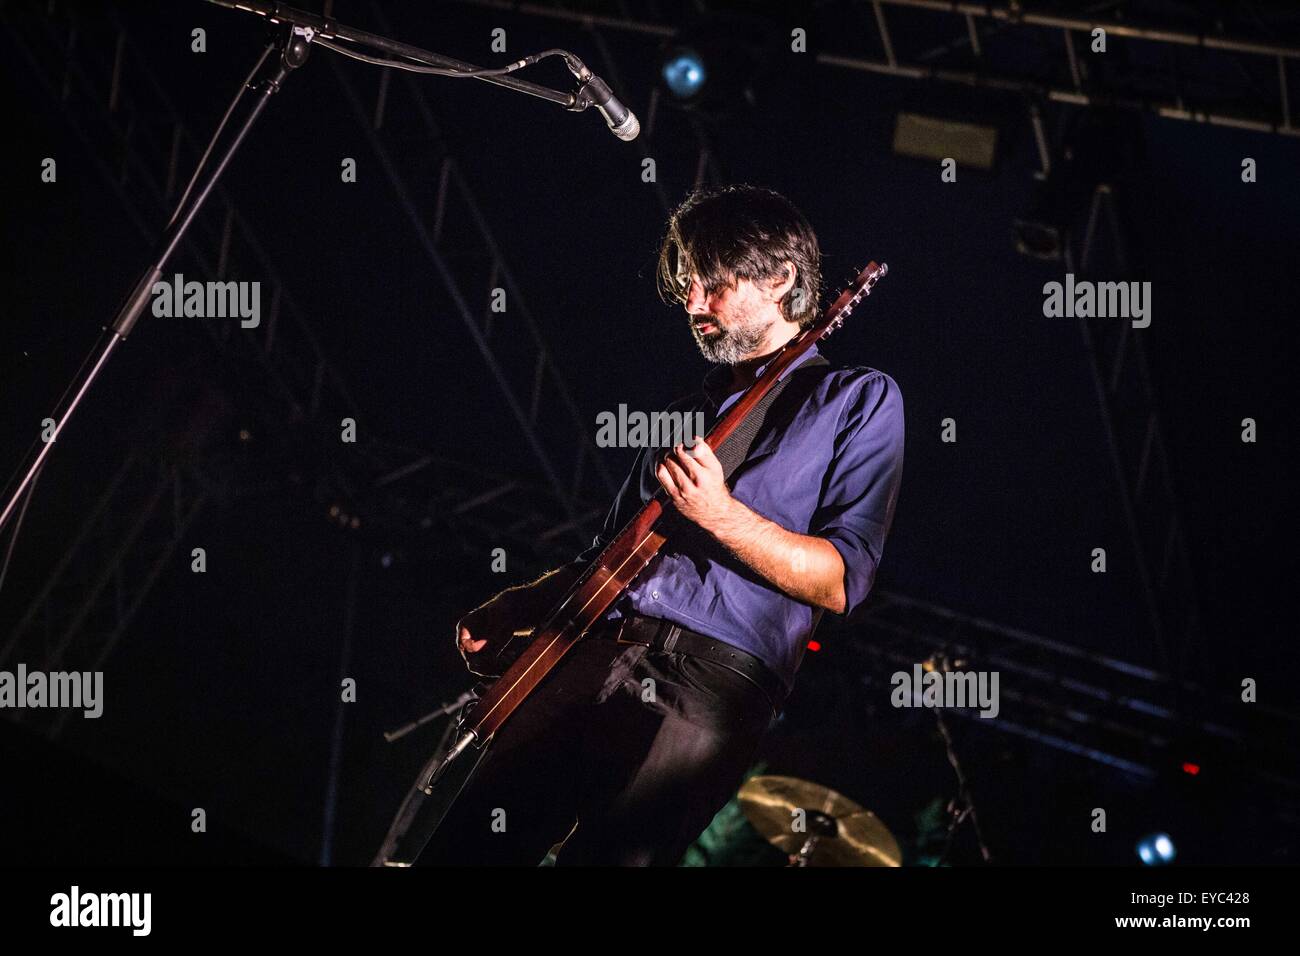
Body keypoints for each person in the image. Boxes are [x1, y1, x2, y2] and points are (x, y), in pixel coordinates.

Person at [415, 184, 905, 866]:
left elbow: (842, 580)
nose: (692, 303)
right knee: (466, 849)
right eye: (687, 285)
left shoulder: (858, 399)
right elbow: (610, 554)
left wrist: (722, 515)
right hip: (592, 650)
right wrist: (520, 602)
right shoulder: (686, 409)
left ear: (781, 278)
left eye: (712, 283)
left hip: (708, 684)